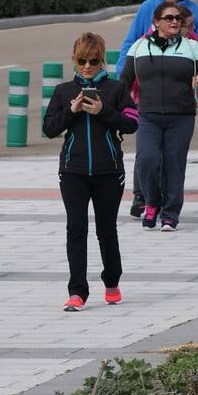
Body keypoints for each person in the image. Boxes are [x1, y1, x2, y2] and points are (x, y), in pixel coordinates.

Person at [42, 32, 139, 311]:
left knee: (106, 229)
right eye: (82, 60)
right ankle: (77, 291)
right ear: (74, 59)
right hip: (73, 171)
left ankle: (111, 281)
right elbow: (49, 129)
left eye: (93, 61)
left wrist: (103, 111)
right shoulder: (63, 91)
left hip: (108, 171)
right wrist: (72, 111)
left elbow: (132, 124)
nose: (87, 67)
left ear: (101, 60)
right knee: (76, 228)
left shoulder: (116, 89)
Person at [119, 0, 198, 231]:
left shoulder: (191, 47)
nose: (175, 22)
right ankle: (152, 202)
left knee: (174, 165)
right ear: (156, 22)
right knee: (146, 161)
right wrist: (124, 108)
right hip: (148, 115)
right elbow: (123, 82)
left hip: (181, 116)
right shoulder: (139, 47)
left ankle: (170, 214)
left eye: (178, 18)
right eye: (169, 18)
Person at [114, 0, 198, 73]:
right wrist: (121, 75)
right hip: (149, 75)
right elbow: (131, 43)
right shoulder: (147, 7)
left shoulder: (195, 10)